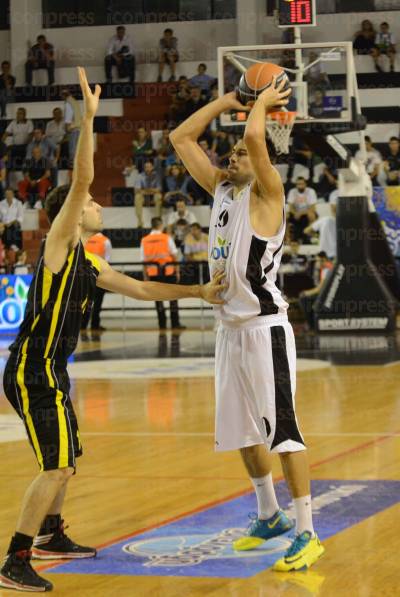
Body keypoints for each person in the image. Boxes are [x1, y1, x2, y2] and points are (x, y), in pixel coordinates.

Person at [0, 67, 225, 593]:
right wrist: (88, 120)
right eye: (93, 205)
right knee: (54, 467)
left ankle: (51, 534)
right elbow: (80, 182)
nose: (99, 205)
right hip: (34, 370)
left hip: (51, 368)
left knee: (67, 461)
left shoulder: (89, 262)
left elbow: (143, 289)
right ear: (72, 215)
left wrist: (198, 293)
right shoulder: (57, 245)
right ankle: (14, 559)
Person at [170, 77, 324, 571]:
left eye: (238, 152)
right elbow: (180, 139)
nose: (231, 157)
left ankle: (307, 531)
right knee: (240, 430)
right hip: (228, 329)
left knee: (284, 431)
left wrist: (258, 106)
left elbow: (257, 140)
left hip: (265, 329)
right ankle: (269, 514)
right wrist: (226, 101)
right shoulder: (222, 189)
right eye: (230, 153)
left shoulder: (267, 193)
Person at [141, 217, 184, 330]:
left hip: (153, 274)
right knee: (173, 298)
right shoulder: (166, 238)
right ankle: (175, 324)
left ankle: (162, 324)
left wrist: (145, 276)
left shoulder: (144, 240)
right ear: (161, 225)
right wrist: (177, 271)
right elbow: (175, 255)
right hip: (169, 272)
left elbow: (144, 260)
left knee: (158, 300)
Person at [81, 232, 112, 336]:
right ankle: (95, 325)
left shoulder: (84, 239)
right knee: (97, 302)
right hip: (99, 275)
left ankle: (83, 325)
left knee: (86, 301)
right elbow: (107, 260)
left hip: (84, 275)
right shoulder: (105, 241)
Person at [299, 252, 333, 329]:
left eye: (318, 261)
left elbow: (319, 289)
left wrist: (306, 293)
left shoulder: (326, 270)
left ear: (323, 259)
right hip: (326, 294)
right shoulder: (326, 268)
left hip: (326, 296)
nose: (316, 263)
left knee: (303, 299)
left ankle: (312, 325)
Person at [287, 177, 318, 243]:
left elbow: (313, 208)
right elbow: (290, 207)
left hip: (307, 212)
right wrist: (295, 213)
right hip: (295, 213)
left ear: (305, 184)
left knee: (311, 214)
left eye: (301, 184)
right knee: (285, 216)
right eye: (298, 184)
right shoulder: (292, 191)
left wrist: (301, 213)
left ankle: (311, 236)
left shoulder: (311, 191)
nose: (300, 186)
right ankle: (287, 238)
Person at [134, 160, 163, 228]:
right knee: (137, 197)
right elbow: (136, 190)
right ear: (144, 168)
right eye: (146, 167)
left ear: (152, 167)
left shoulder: (157, 176)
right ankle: (140, 221)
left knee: (158, 196)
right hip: (144, 196)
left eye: (149, 167)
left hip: (153, 195)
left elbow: (159, 189)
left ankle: (158, 221)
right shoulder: (140, 176)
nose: (148, 168)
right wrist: (151, 190)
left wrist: (145, 190)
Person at [61, 87, 81, 167]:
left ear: (63, 95)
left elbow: (68, 117)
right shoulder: (74, 102)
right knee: (76, 147)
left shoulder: (68, 103)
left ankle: (73, 164)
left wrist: (67, 127)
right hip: (78, 127)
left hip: (72, 127)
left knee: (72, 147)